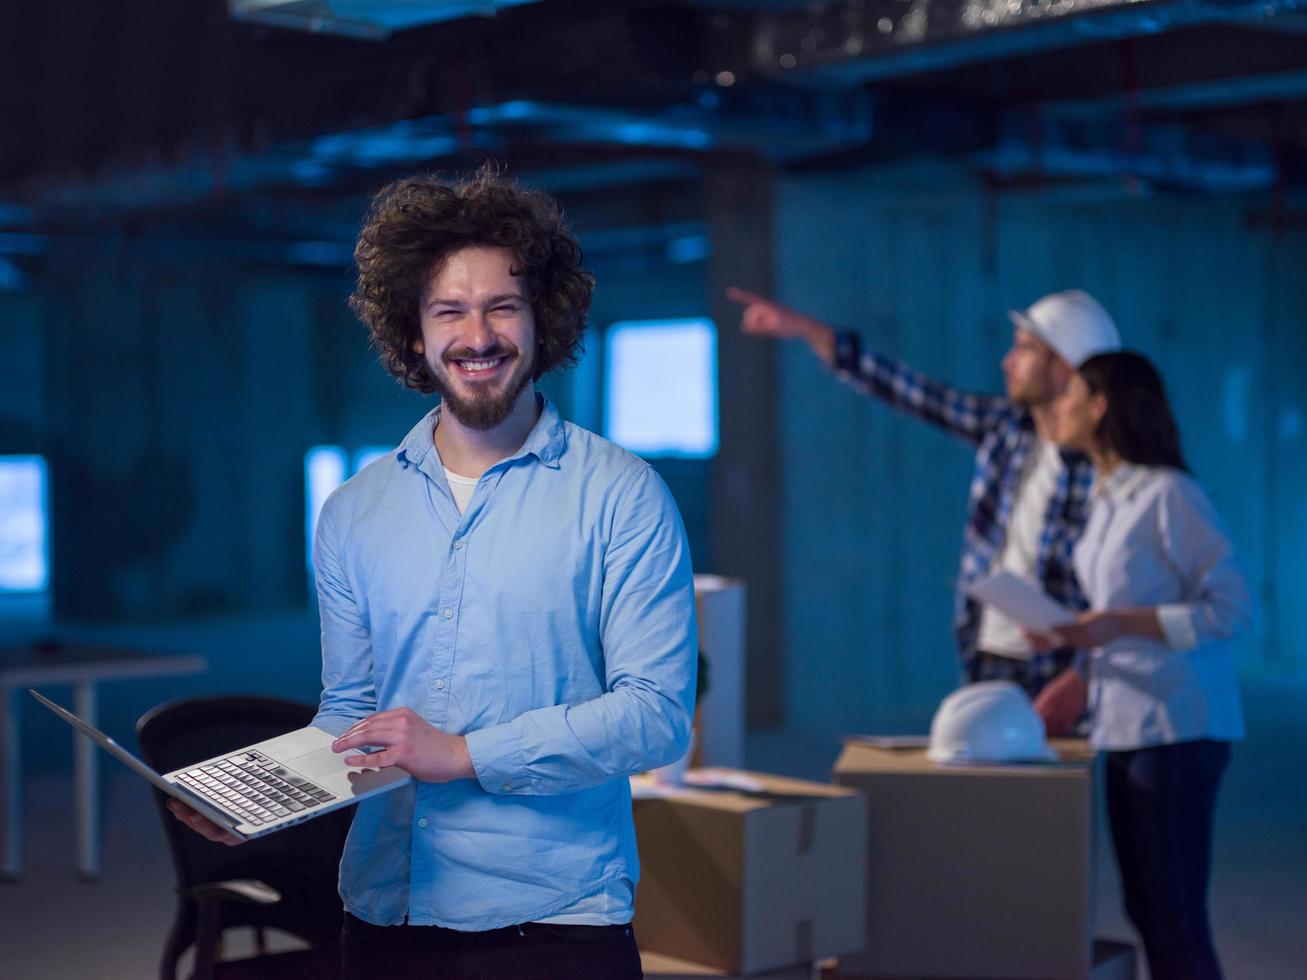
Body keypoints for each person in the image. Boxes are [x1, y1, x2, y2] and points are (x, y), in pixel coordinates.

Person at [169, 165, 697, 979]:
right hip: (386, 912)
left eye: (501, 307)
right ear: (414, 333)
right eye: (449, 310)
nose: (476, 335)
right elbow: (350, 715)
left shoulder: (621, 496)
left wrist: (466, 753)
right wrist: (262, 802)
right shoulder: (355, 510)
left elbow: (657, 716)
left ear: (541, 319)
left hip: (553, 922)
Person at [727, 286, 1119, 698]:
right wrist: (805, 329)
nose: (1009, 362)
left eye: (1024, 349)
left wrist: (1083, 677)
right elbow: (911, 391)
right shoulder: (1007, 430)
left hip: (1061, 671)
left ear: (1063, 368)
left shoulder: (1111, 470)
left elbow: (1129, 597)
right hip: (987, 653)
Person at [1029, 351, 1250, 980]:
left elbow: (1232, 607)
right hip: (1123, 726)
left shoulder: (1169, 494)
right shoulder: (1106, 496)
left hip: (1178, 729)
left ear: (1100, 406)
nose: (1058, 406)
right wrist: (1076, 652)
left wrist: (1117, 625)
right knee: (1147, 911)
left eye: (1069, 393)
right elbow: (1112, 612)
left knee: (1174, 918)